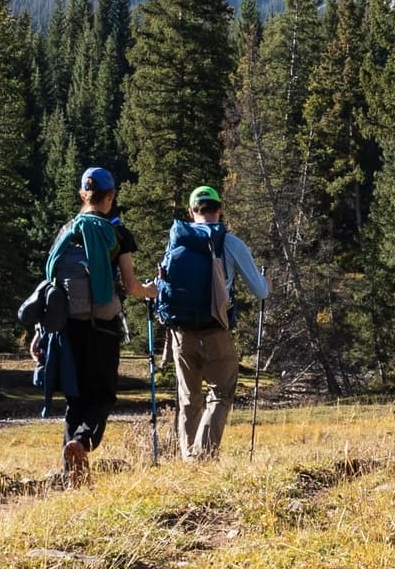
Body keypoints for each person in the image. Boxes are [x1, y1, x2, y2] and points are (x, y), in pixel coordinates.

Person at [37, 166, 145, 487]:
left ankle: (73, 477)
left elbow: (51, 282)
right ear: (109, 196)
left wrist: (39, 331)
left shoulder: (67, 230)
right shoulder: (117, 233)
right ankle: (82, 443)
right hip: (103, 326)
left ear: (83, 194)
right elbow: (130, 285)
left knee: (76, 399)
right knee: (102, 397)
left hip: (68, 328)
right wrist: (152, 290)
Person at [150, 182, 270, 460]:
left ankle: (188, 456)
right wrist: (269, 283)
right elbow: (259, 290)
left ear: (192, 212)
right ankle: (202, 457)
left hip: (180, 333)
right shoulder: (229, 242)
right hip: (215, 329)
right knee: (221, 392)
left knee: (189, 398)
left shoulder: (176, 240)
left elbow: (161, 283)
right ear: (220, 210)